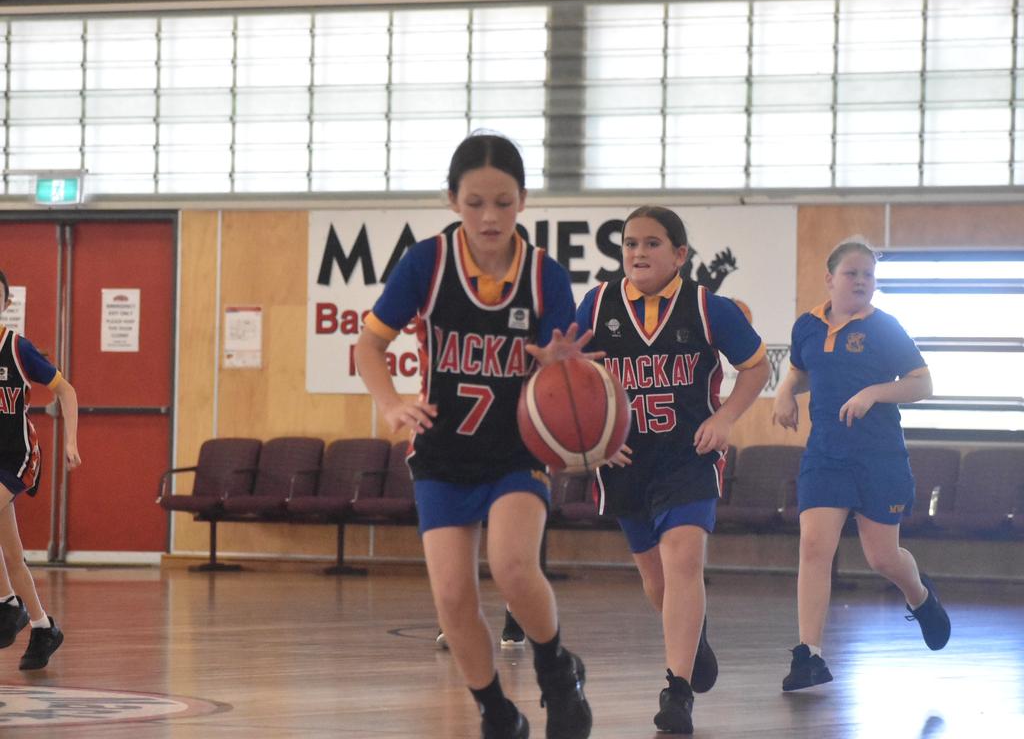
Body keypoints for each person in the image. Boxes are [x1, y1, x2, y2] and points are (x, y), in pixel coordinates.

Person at [355, 133, 593, 739]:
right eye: (476, 202)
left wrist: (564, 368)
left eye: (504, 202)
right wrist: (389, 402)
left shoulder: (545, 277)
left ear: (523, 201)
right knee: (454, 595)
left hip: (517, 449)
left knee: (513, 567)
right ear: (452, 199)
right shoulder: (427, 264)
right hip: (442, 450)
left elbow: (568, 384)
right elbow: (370, 345)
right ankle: (496, 711)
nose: (490, 216)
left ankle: (556, 670)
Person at [575, 206, 769, 734]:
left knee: (683, 562)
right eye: (630, 243)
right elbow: (570, 379)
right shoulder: (597, 306)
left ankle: (676, 691)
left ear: (679, 254)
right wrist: (594, 442)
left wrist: (727, 417)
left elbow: (757, 366)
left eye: (652, 243)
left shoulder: (708, 307)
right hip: (626, 460)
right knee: (657, 582)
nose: (638, 252)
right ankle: (695, 636)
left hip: (689, 456)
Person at [771, 237, 950, 692]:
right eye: (852, 273)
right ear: (830, 279)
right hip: (825, 454)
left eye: (868, 275)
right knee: (814, 547)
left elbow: (922, 382)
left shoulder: (884, 327)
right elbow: (801, 368)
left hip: (879, 457)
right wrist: (785, 392)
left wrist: (873, 392)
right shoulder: (807, 326)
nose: (861, 281)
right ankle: (808, 654)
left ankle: (921, 596)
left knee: (882, 557)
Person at [0, 269, 80, 669]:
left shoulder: (17, 347)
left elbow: (66, 390)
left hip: (17, 455)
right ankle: (42, 625)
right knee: (12, 555)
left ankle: (6, 605)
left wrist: (70, 441)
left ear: (6, 303)